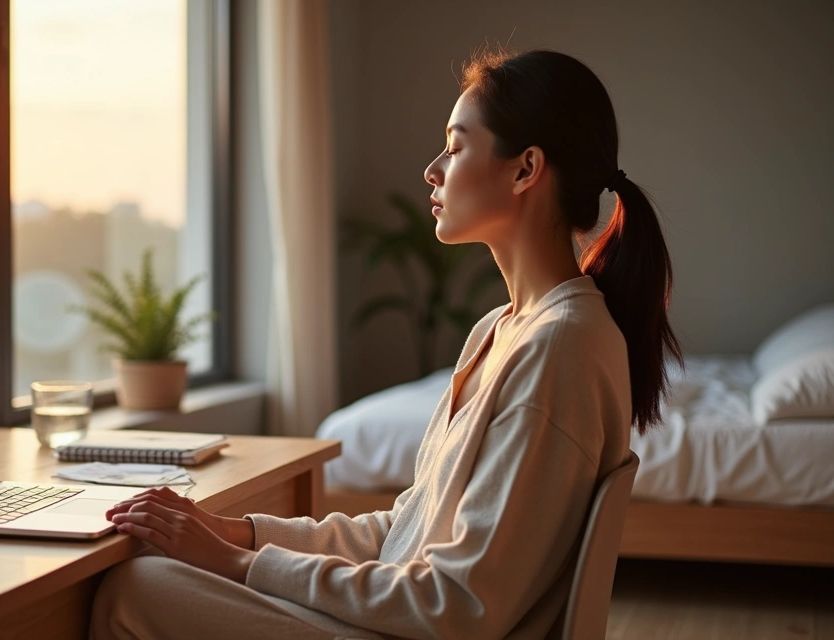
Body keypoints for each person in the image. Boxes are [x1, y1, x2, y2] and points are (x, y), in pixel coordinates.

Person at [90, 48, 680, 640]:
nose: (432, 169)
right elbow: (406, 533)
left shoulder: (560, 347)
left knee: (138, 587)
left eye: (455, 146)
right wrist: (235, 533)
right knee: (156, 566)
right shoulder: (502, 330)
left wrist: (240, 565)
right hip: (407, 621)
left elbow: (459, 604)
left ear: (525, 169)